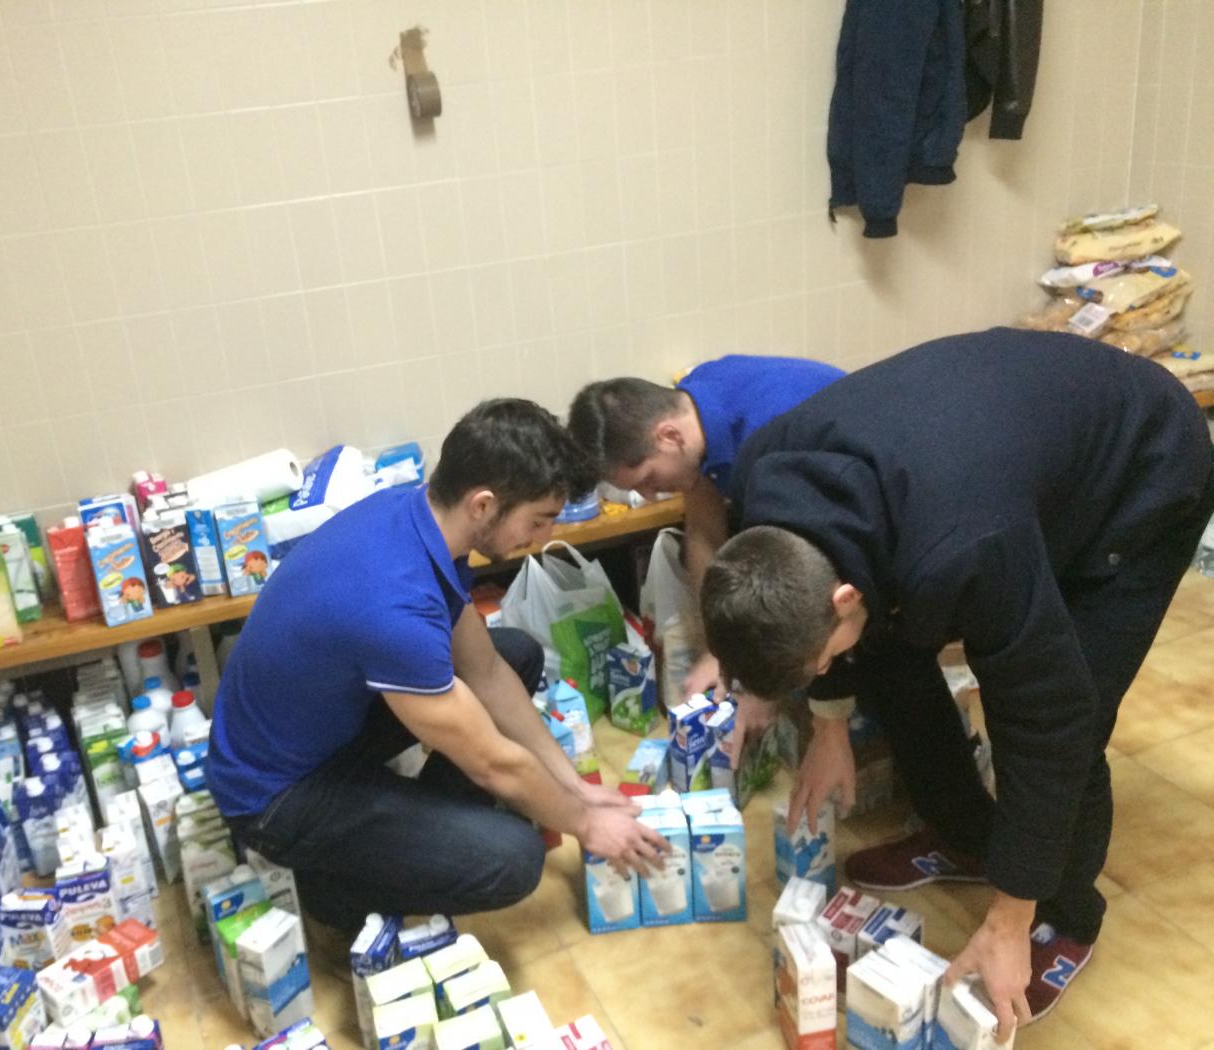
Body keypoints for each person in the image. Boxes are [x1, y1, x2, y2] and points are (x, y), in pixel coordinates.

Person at [698, 328, 1214, 1038]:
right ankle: (966, 832)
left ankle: (1063, 913)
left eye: (818, 661)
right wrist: (828, 722)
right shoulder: (764, 484)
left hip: (1142, 469)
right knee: (885, 656)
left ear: (844, 597)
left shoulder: (966, 545)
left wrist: (1008, 917)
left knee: (1071, 707)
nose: (824, 671)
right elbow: (848, 635)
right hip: (1003, 451)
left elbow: (1050, 721)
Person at [207, 399, 667, 940]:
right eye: (538, 520)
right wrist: (586, 823)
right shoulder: (394, 607)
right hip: (276, 796)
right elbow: (494, 765)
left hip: (320, 733)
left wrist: (575, 788)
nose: (542, 537)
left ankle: (419, 832)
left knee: (515, 652)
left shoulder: (417, 517)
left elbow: (487, 671)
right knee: (514, 859)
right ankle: (333, 890)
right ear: (484, 505)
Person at [567, 355, 843, 708]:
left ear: (668, 436)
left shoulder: (767, 435)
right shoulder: (691, 410)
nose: (651, 495)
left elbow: (798, 571)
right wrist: (718, 652)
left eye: (649, 479)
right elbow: (703, 534)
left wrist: (759, 688)